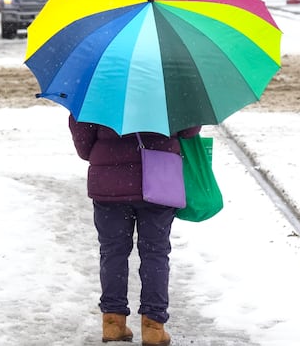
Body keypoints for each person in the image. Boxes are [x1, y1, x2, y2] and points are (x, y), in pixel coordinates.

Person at [70, 116, 202, 345]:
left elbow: (83, 146)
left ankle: (113, 323)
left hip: (109, 185)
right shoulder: (170, 83)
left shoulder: (98, 85)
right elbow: (189, 129)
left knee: (112, 253)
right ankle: (153, 326)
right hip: (158, 178)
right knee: (155, 253)